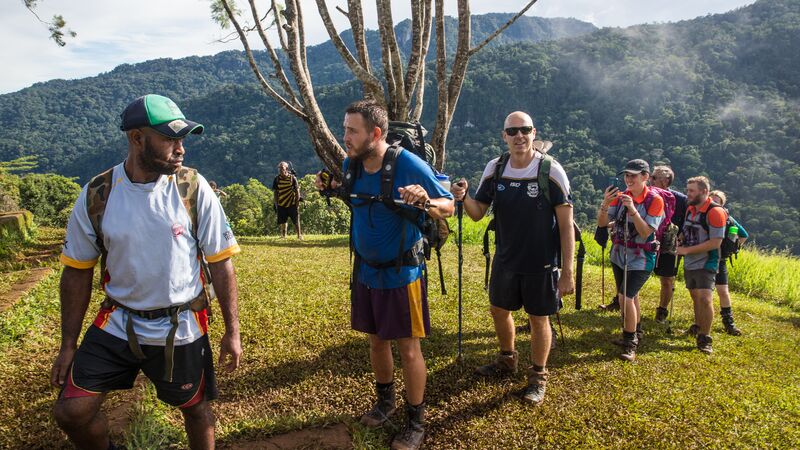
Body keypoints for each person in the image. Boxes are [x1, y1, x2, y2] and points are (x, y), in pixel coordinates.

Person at [51, 94, 242, 450]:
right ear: (137, 138)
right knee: (71, 412)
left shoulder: (192, 188)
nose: (180, 149)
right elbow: (77, 272)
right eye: (170, 139)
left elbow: (221, 261)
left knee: (196, 410)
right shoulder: (99, 194)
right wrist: (67, 345)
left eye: (182, 139)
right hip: (117, 322)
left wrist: (233, 331)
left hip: (180, 324)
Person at [315, 100, 453, 450]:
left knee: (408, 348)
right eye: (344, 128)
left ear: (375, 134)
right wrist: (330, 187)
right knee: (375, 340)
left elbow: (448, 204)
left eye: (352, 130)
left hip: (401, 274)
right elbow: (359, 201)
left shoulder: (406, 164)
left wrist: (425, 200)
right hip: (366, 271)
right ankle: (385, 403)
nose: (344, 136)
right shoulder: (352, 164)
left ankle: (416, 421)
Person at [450, 111, 575, 403]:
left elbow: (566, 226)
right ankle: (507, 359)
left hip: (541, 261)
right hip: (505, 258)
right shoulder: (495, 168)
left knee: (538, 318)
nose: (519, 136)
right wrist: (463, 196)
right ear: (504, 136)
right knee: (498, 309)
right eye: (513, 131)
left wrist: (567, 272)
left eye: (525, 130)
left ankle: (538, 376)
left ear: (534, 133)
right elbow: (478, 212)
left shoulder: (551, 171)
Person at [597, 159, 664, 361]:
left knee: (625, 297)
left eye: (633, 175)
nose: (628, 179)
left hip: (642, 259)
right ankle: (637, 330)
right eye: (626, 175)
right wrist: (605, 205)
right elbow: (602, 224)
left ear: (645, 177)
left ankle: (630, 341)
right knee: (628, 296)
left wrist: (633, 210)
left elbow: (645, 232)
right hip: (619, 255)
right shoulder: (620, 197)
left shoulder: (654, 200)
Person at [677, 176, 727, 354]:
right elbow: (687, 229)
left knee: (705, 298)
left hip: (707, 261)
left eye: (691, 190)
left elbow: (715, 242)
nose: (687, 194)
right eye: (687, 189)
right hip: (690, 261)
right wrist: (681, 238)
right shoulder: (691, 209)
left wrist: (686, 251)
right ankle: (698, 326)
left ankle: (705, 338)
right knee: (695, 296)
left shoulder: (715, 212)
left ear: (704, 192)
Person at [650, 166, 688, 323]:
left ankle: (662, 310)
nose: (650, 180)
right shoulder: (647, 195)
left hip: (669, 243)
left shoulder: (681, 199)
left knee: (667, 278)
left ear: (665, 181)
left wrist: (681, 236)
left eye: (654, 177)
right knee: (633, 272)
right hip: (648, 239)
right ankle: (622, 300)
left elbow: (687, 220)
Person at [709, 190, 748, 335]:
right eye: (711, 199)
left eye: (716, 201)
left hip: (718, 260)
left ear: (722, 204)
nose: (713, 202)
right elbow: (744, 236)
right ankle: (703, 321)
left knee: (722, 291)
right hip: (708, 258)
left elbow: (744, 235)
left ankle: (728, 322)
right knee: (705, 293)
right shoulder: (708, 215)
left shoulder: (727, 218)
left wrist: (731, 250)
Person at [272, 161, 302, 239]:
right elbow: (275, 191)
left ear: (286, 169)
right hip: (281, 203)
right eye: (279, 168)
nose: (280, 170)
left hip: (292, 203)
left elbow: (297, 190)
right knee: (283, 221)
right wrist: (276, 203)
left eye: (282, 168)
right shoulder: (277, 179)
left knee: (296, 220)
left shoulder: (292, 178)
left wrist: (297, 202)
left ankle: (299, 235)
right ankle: (283, 235)